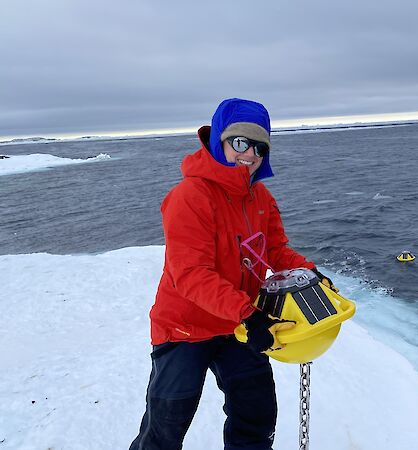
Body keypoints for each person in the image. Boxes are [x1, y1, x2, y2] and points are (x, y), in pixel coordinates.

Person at [130, 98, 336, 450]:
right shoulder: (189, 197)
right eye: (240, 142)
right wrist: (249, 315)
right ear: (218, 142)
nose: (250, 153)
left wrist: (310, 272)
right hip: (185, 327)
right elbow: (191, 274)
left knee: (255, 413)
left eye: (259, 146)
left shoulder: (261, 198)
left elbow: (275, 251)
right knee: (166, 425)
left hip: (237, 326)